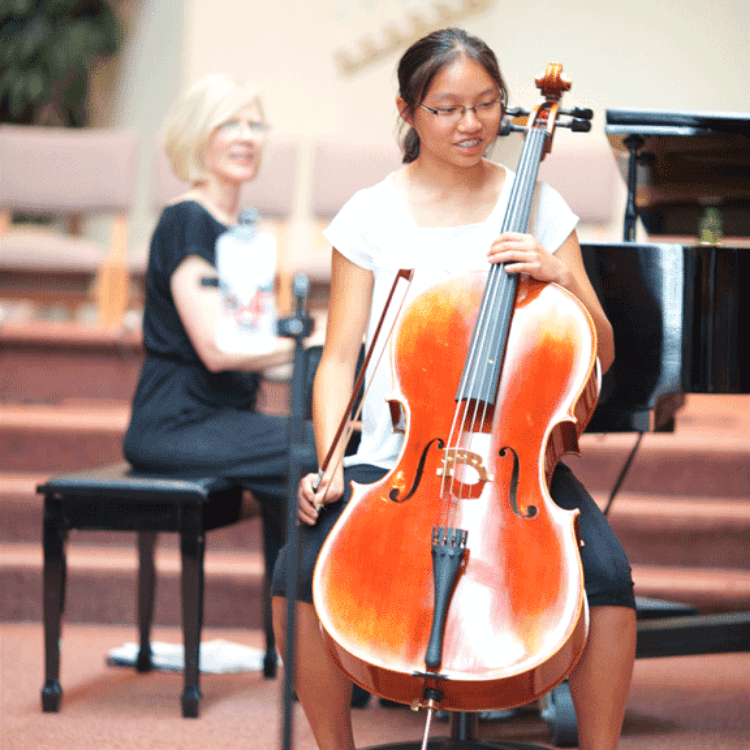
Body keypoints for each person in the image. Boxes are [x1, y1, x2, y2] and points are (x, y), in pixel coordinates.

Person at [271, 28, 637, 750]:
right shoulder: (371, 214)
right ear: (407, 112)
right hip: (398, 453)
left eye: (486, 105)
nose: (470, 125)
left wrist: (560, 276)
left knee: (608, 575)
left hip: (514, 454)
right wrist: (332, 462)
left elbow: (602, 345)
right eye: (446, 109)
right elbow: (338, 358)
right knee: (298, 569)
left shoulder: (537, 202)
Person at [124, 75, 311, 541]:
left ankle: (289, 607)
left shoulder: (237, 231)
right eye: (230, 124)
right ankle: (296, 608)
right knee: (313, 451)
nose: (247, 136)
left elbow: (253, 341)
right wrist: (305, 337)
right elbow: (218, 349)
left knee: (323, 442)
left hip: (224, 416)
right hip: (176, 422)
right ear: (198, 135)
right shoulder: (188, 219)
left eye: (255, 125)